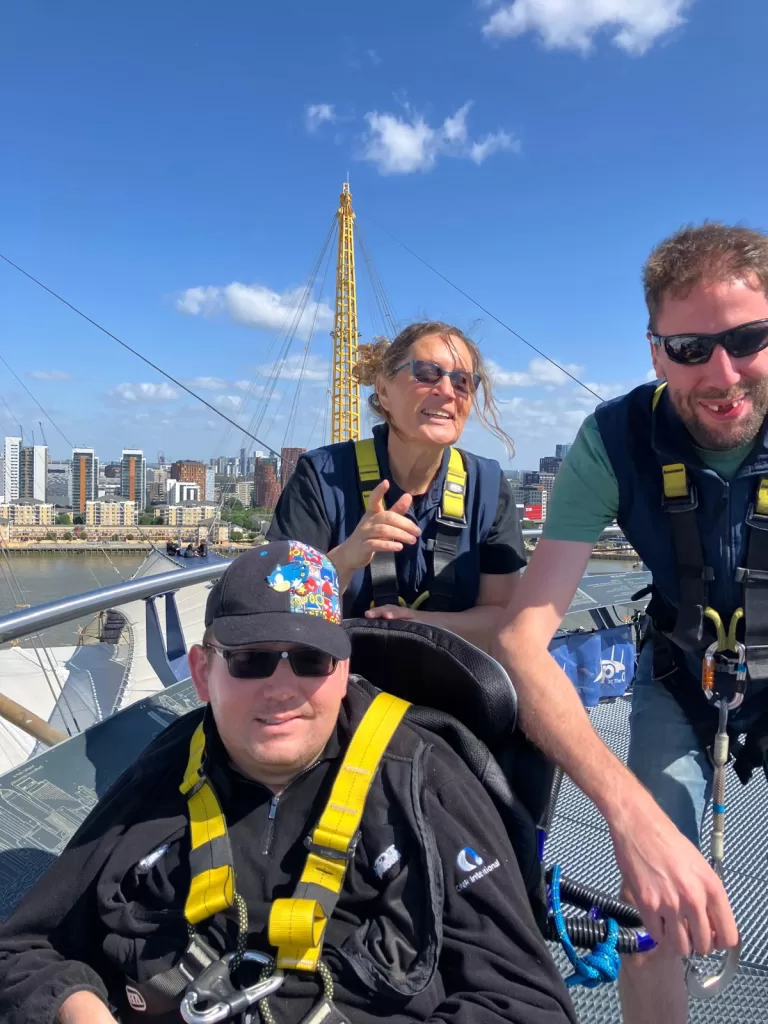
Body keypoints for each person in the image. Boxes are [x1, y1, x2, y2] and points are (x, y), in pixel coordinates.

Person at [0, 540, 577, 1024]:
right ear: (203, 673)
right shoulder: (165, 772)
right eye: (251, 659)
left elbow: (525, 1000)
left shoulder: (422, 779)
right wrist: (80, 1010)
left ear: (344, 669)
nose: (282, 688)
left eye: (310, 660)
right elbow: (25, 948)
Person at [493, 222, 768, 1023]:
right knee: (649, 908)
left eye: (749, 339)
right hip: (682, 671)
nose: (722, 373)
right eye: (690, 349)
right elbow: (522, 639)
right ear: (655, 352)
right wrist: (631, 816)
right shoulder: (615, 441)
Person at [267, 322, 526, 650]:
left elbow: (503, 617)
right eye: (427, 373)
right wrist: (345, 558)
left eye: (462, 381)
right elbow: (276, 606)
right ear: (384, 391)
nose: (447, 391)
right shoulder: (322, 476)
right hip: (342, 683)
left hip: (453, 683)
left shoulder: (486, 485)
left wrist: (421, 626)